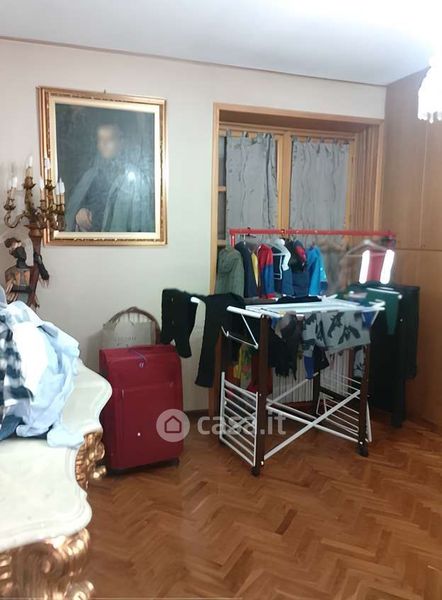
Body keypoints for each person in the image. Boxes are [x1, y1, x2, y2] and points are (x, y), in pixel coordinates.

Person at [65, 123, 154, 232]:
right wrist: (79, 213)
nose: (104, 144)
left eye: (110, 139)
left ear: (121, 142)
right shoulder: (90, 176)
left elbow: (142, 222)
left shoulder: (136, 179)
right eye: (100, 139)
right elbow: (75, 208)